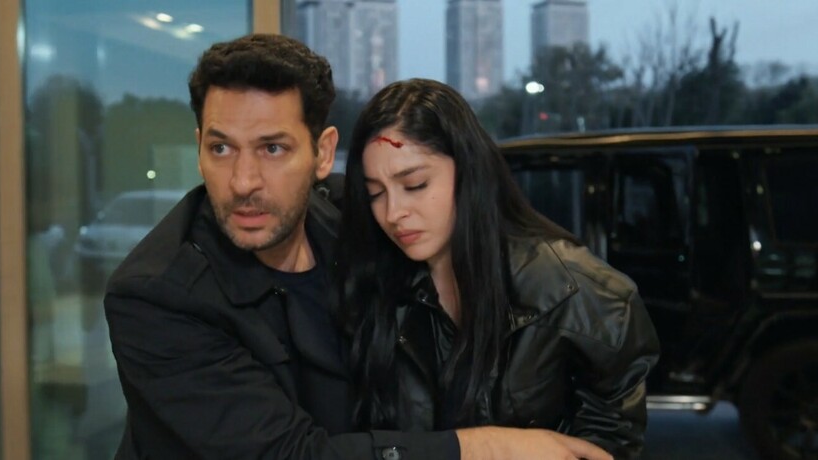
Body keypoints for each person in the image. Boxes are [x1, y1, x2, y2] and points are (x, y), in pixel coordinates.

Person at [104, 34, 613, 459]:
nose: (243, 181)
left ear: (323, 153)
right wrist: (485, 448)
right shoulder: (154, 296)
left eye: (273, 148)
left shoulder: (359, 216)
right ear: (198, 148)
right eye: (221, 148)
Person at [338, 78, 661, 459]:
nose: (393, 213)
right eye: (375, 193)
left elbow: (603, 448)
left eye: (415, 184)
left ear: (469, 171)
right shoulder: (374, 282)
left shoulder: (579, 295)